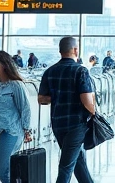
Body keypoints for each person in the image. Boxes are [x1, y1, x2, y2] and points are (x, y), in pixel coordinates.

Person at [38, 37, 97, 183]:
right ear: (75, 50)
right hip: (76, 124)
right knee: (66, 166)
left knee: (78, 162)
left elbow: (42, 99)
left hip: (58, 124)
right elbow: (87, 100)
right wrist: (94, 113)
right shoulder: (80, 71)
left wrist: (60, 97)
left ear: (60, 51)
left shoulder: (49, 71)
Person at [0, 50, 32, 183]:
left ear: (4, 64)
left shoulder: (16, 85)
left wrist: (27, 130)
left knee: (4, 173)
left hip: (11, 130)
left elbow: (25, 108)